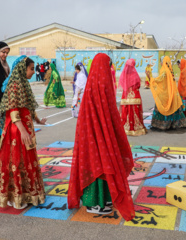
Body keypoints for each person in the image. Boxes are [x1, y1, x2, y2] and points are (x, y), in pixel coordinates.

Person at [68, 53, 135, 220]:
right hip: (98, 133)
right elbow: (110, 113)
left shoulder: (92, 84)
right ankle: (95, 202)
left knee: (95, 162)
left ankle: (101, 199)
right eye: (108, 65)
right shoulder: (103, 84)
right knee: (102, 162)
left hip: (90, 134)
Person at [0, 56, 47, 210]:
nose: (33, 71)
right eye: (31, 69)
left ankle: (27, 193)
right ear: (23, 69)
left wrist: (37, 120)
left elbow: (28, 107)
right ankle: (15, 196)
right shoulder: (14, 86)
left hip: (25, 129)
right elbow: (13, 111)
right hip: (16, 131)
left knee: (27, 160)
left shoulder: (24, 84)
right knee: (17, 162)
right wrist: (23, 131)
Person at [150, 56, 186, 130]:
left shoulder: (164, 70)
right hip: (172, 93)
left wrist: (151, 78)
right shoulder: (170, 70)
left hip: (165, 94)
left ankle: (161, 125)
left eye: (161, 61)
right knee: (174, 109)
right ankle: (175, 124)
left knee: (161, 107)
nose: (161, 63)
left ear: (163, 62)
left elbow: (159, 80)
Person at [119, 59, 147, 136]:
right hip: (135, 96)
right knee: (135, 111)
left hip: (125, 97)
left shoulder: (124, 75)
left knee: (126, 112)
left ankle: (126, 128)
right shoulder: (135, 75)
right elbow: (138, 85)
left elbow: (122, 84)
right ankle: (136, 128)